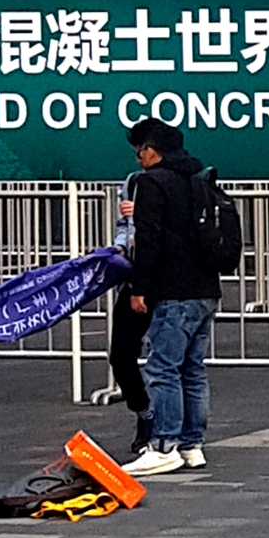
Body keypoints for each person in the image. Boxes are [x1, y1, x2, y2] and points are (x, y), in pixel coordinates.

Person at [123, 119, 220, 477]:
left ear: (151, 150)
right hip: (205, 287)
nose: (138, 159)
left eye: (139, 152)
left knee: (163, 368)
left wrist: (139, 288)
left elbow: (148, 239)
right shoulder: (199, 177)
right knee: (192, 369)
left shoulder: (151, 182)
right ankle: (191, 445)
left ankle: (164, 445)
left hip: (172, 290)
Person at [107, 158, 151, 457]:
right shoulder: (133, 181)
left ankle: (177, 433)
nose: (139, 157)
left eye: (143, 150)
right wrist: (120, 247)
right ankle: (145, 413)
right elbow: (124, 225)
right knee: (121, 355)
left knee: (168, 363)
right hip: (135, 276)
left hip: (170, 281)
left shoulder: (183, 180)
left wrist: (142, 213)